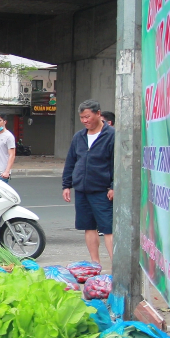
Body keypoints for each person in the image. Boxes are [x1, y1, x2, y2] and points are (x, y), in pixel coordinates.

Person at [62, 99, 115, 263]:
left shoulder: (111, 135)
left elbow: (116, 164)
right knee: (88, 227)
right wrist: (67, 185)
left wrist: (113, 186)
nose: (85, 121)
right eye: (82, 118)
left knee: (108, 229)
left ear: (98, 114)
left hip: (102, 190)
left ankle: (116, 266)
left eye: (88, 117)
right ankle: (95, 263)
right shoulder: (79, 136)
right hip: (82, 189)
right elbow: (71, 161)